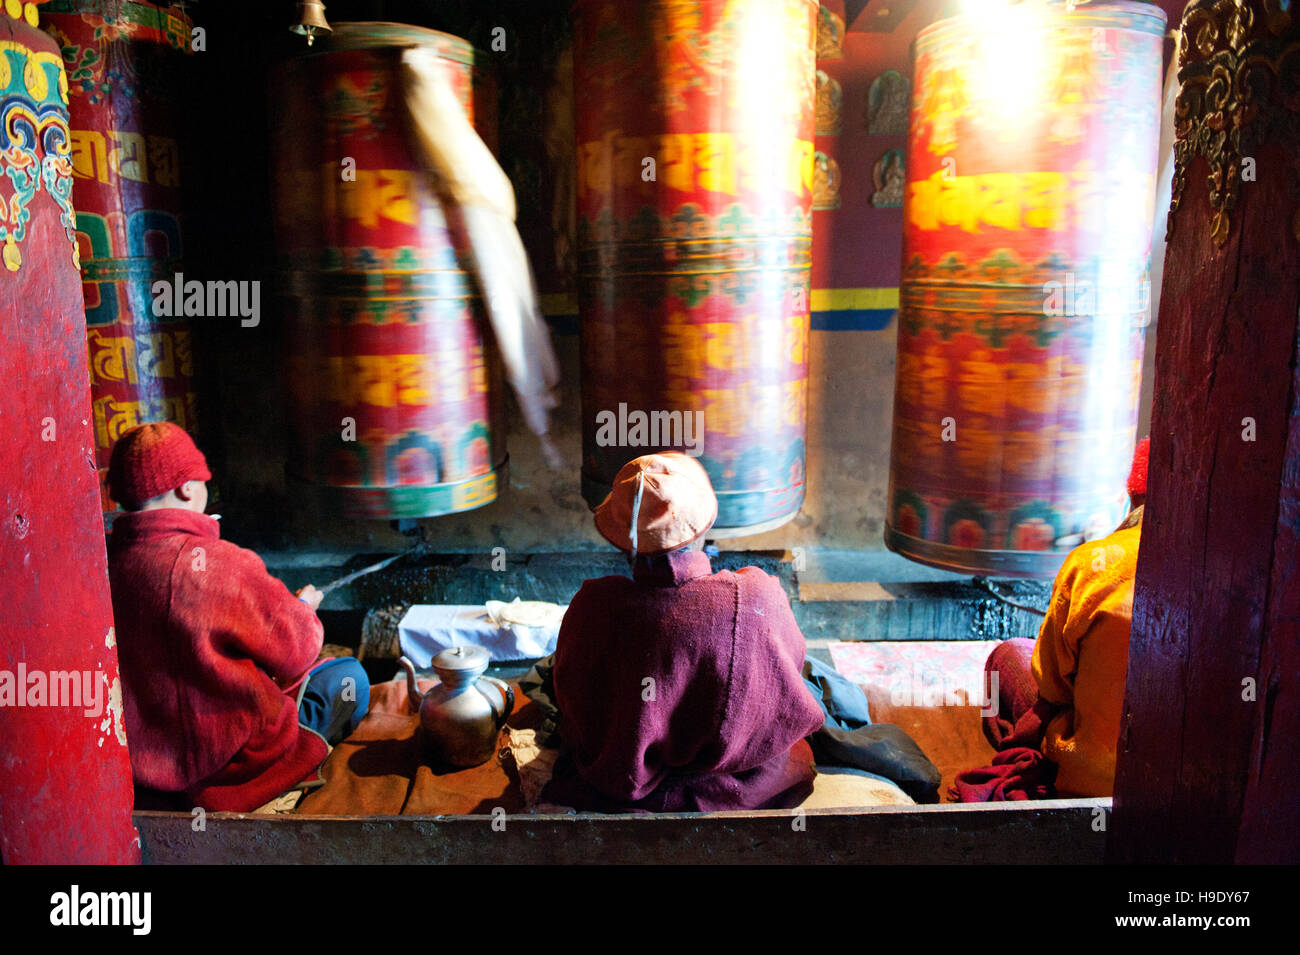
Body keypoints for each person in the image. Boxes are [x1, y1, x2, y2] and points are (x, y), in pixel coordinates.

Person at [541, 451, 939, 812]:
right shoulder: (753, 597)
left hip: (614, 788)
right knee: (815, 679)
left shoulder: (591, 606)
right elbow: (786, 687)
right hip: (739, 788)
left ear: (621, 538)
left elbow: (575, 699)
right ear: (703, 526)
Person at [105, 422, 370, 812]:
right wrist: (302, 612)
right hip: (233, 767)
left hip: (146, 768)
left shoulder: (104, 563)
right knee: (347, 679)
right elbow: (295, 654)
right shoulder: (218, 562)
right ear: (187, 489)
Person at [954, 437, 1150, 801]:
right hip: (1186, 788)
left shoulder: (1098, 562)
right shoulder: (1238, 577)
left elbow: (1051, 684)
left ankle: (1022, 758)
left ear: (1135, 499)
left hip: (1091, 778)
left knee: (1008, 657)